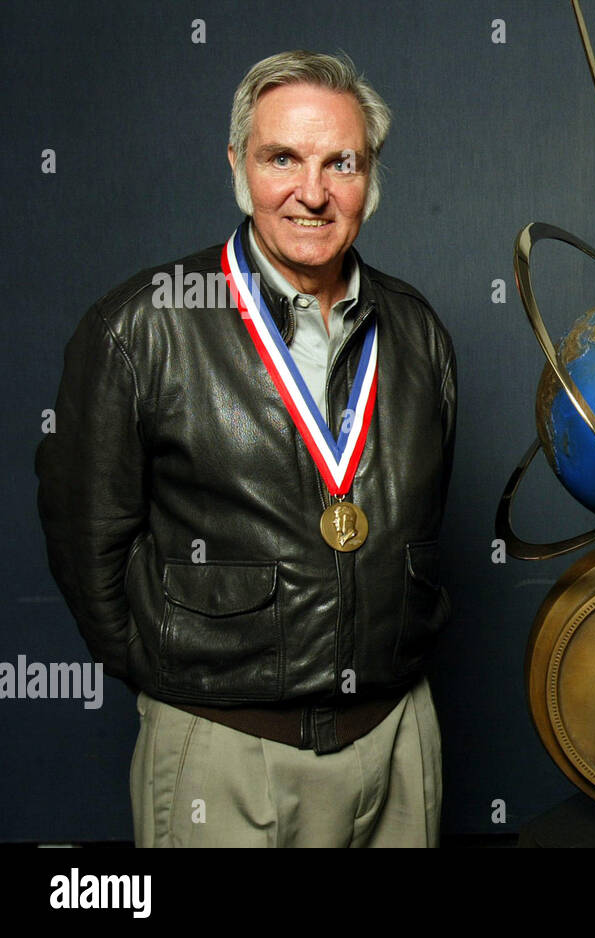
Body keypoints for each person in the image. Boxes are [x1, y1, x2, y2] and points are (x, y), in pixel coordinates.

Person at [35, 51, 456, 847]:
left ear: (370, 174)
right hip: (223, 751)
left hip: (399, 738)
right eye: (282, 159)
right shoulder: (143, 326)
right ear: (238, 164)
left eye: (343, 162)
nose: (313, 191)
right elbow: (86, 546)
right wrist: (186, 684)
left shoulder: (417, 330)